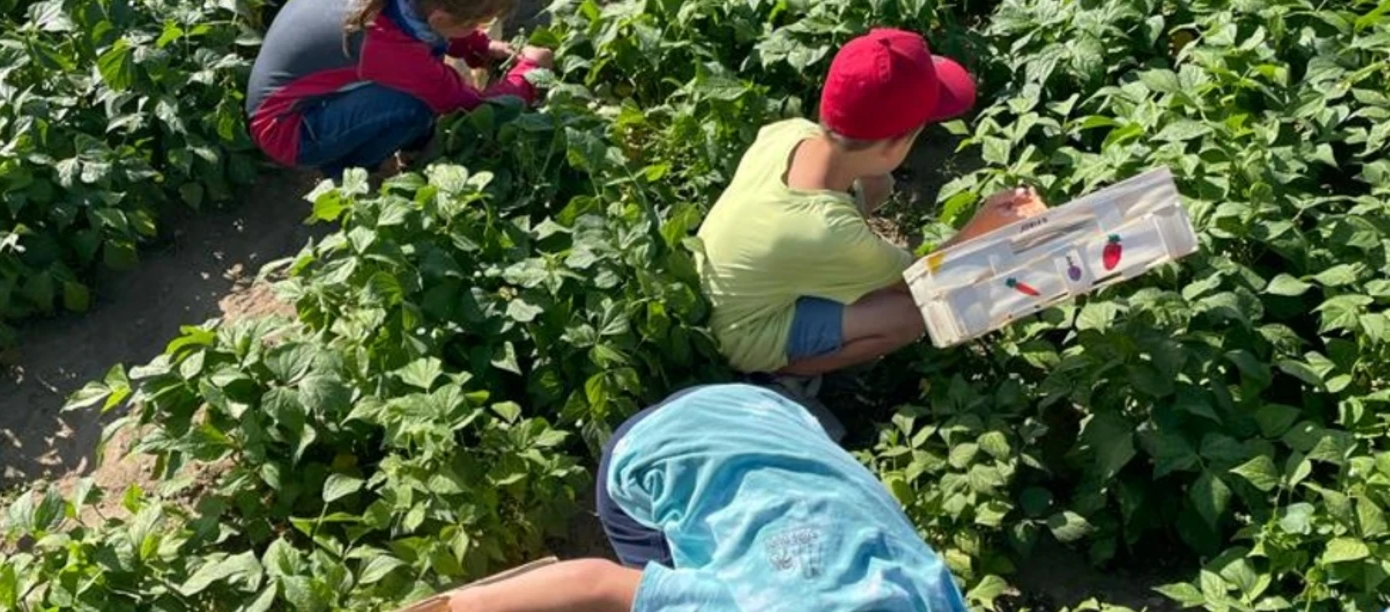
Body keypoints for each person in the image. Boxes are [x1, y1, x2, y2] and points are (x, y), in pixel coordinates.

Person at [694, 28, 1048, 379]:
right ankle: (783, 374)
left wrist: (869, 189)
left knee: (869, 205)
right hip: (742, 335)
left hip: (717, 289)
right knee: (908, 316)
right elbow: (917, 282)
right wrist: (980, 226)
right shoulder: (830, 231)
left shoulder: (788, 132)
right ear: (894, 147)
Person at [429, 384, 967, 611]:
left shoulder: (931, 599)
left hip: (770, 418)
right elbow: (596, 584)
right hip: (651, 453)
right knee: (654, 589)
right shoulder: (746, 605)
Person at [245, 0, 554, 178]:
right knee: (416, 106)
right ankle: (348, 170)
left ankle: (407, 145)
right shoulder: (385, 44)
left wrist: (483, 47)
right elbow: (466, 105)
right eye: (475, 25)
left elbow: (435, 31)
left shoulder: (402, 8)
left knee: (413, 87)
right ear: (442, 17)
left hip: (285, 99)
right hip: (287, 132)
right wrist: (528, 76)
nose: (478, 29)